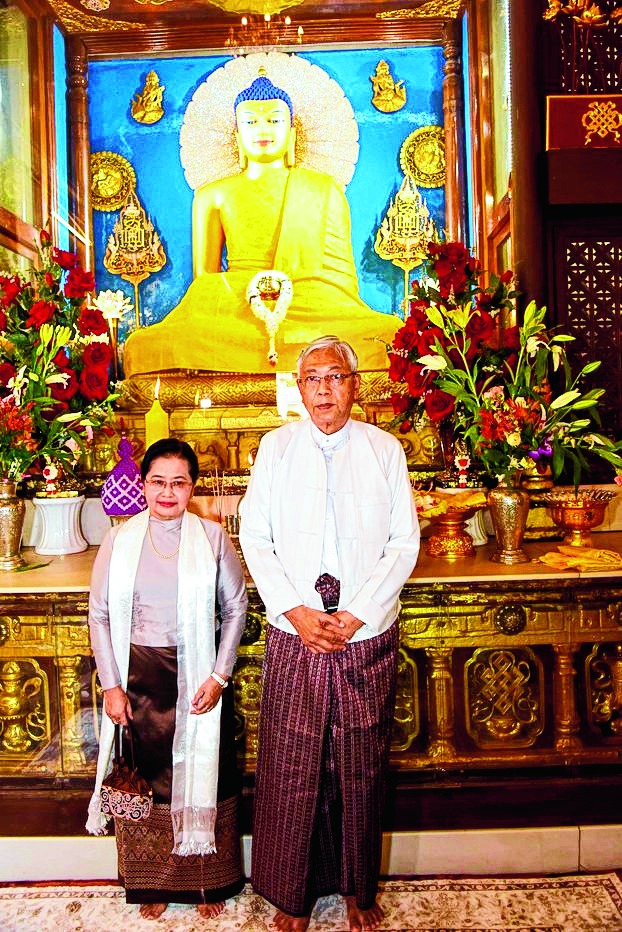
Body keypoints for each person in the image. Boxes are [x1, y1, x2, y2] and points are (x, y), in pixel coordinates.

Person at [239, 335, 420, 932]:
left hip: (364, 632)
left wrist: (359, 612)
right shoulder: (276, 448)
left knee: (360, 765)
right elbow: (255, 538)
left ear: (354, 384)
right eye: (312, 378)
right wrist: (295, 611)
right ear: (299, 388)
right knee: (293, 763)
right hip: (296, 631)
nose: (324, 389)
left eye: (335, 376)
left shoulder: (384, 449)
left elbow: (404, 543)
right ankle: (291, 896)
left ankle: (357, 891)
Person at [123, 73, 399, 378]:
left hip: (312, 306)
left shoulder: (323, 189)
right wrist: (246, 294)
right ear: (237, 135)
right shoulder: (212, 195)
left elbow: (338, 283)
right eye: (251, 122)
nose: (262, 129)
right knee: (145, 344)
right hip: (240, 309)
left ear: (292, 133)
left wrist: (302, 297)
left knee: (388, 334)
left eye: (274, 120)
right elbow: (205, 282)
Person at [86, 438, 247, 921]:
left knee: (207, 775)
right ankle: (151, 882)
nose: (167, 492)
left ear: (192, 488)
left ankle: (207, 882)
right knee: (149, 781)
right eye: (158, 481)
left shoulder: (212, 538)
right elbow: (99, 614)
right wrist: (112, 686)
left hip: (199, 678)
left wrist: (219, 676)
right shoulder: (119, 540)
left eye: (178, 483)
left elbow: (235, 607)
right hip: (139, 678)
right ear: (143, 485)